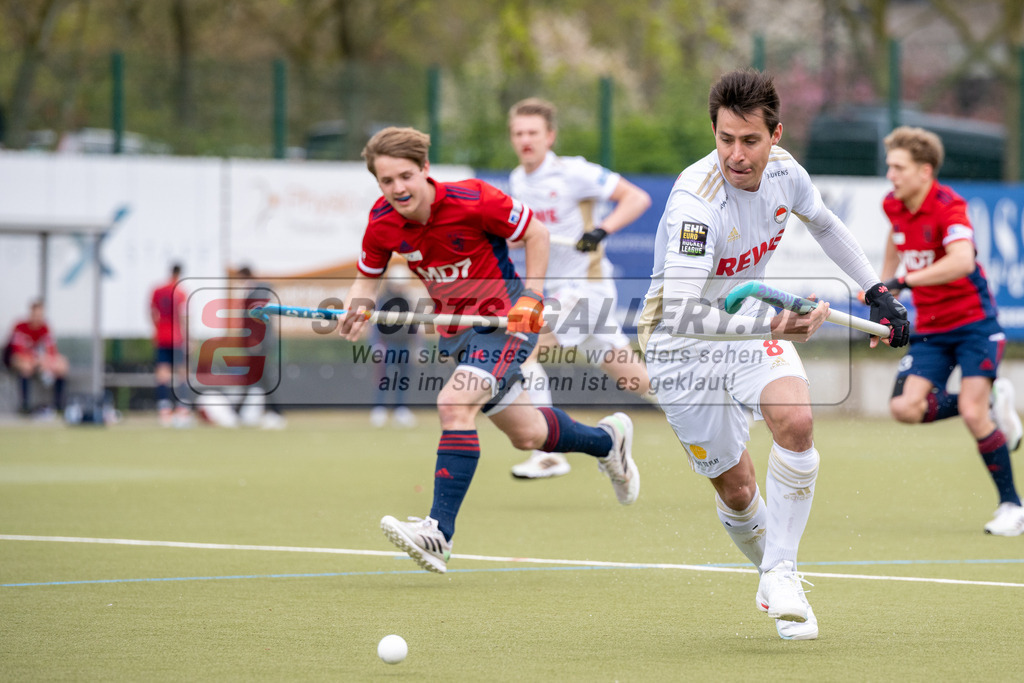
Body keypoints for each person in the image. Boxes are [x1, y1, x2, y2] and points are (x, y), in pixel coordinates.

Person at [638, 69, 909, 641]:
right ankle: (771, 566)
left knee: (797, 421)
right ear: (713, 132)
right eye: (725, 139)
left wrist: (874, 289)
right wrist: (777, 322)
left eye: (750, 140)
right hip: (681, 348)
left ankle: (782, 572)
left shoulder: (787, 174)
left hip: (746, 327)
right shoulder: (697, 202)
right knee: (737, 490)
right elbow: (683, 312)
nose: (736, 155)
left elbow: (827, 224)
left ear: (776, 135)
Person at [340, 126, 639, 574]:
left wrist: (532, 298)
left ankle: (438, 533)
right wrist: (355, 308)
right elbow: (368, 277)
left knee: (453, 404)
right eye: (386, 181)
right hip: (458, 334)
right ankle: (606, 441)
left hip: (505, 323)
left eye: (405, 176)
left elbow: (536, 234)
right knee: (529, 434)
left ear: (425, 170)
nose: (398, 188)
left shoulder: (474, 199)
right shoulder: (382, 221)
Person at [878, 126, 1024, 537]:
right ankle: (994, 402)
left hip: (976, 325)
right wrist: (884, 293)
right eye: (890, 166)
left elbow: (961, 261)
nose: (891, 175)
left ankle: (1013, 506)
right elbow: (896, 241)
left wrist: (907, 279)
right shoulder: (893, 204)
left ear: (925, 171)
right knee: (904, 408)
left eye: (898, 167)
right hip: (932, 329)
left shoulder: (950, 207)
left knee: (974, 414)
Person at [506, 97, 655, 479]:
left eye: (533, 133)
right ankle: (716, 406)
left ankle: (549, 452)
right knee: (637, 379)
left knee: (524, 343)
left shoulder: (574, 173)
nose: (525, 140)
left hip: (586, 289)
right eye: (519, 133)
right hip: (556, 291)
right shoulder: (518, 181)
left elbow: (637, 198)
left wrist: (601, 231)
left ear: (550, 136)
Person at [367, 263, 420, 429]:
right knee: (383, 378)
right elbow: (374, 326)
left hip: (404, 345)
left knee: (402, 379)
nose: (400, 287)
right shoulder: (382, 301)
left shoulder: (408, 300)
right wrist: (376, 345)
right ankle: (379, 409)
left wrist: (418, 346)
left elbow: (414, 326)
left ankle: (400, 409)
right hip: (387, 344)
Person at [236, 266, 287, 430]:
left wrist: (255, 340)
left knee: (261, 377)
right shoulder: (253, 291)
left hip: (259, 344)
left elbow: (258, 320)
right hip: (255, 343)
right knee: (253, 377)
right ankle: (239, 412)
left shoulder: (258, 291)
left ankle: (275, 413)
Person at [4, 300, 68, 416]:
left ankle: (58, 405)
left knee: (61, 365)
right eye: (35, 315)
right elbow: (17, 351)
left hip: (36, 361)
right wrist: (36, 360)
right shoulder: (20, 327)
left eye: (40, 315)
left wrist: (47, 361)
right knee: (25, 367)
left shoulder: (44, 328)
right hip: (14, 360)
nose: (37, 318)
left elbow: (52, 350)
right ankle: (25, 405)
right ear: (30, 314)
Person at [150, 263, 191, 427]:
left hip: (161, 336)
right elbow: (183, 316)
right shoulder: (181, 292)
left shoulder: (157, 290)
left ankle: (164, 411)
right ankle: (182, 411)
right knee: (182, 373)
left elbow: (153, 313)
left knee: (162, 374)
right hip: (177, 337)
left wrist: (157, 328)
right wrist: (188, 337)